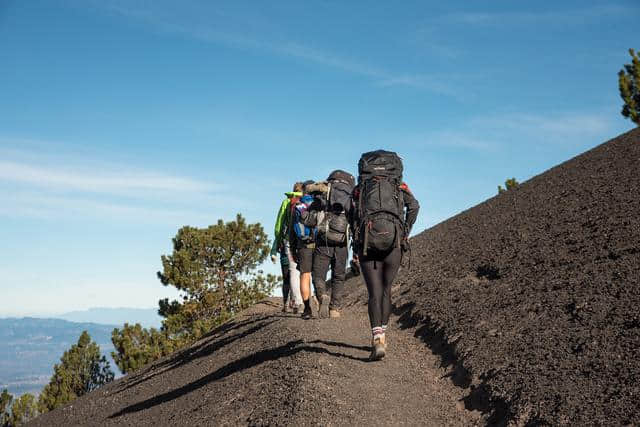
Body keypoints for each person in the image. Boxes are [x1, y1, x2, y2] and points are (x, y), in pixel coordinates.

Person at [351, 150, 419, 360]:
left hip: (367, 243)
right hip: (394, 241)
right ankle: (383, 335)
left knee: (374, 292)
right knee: (386, 290)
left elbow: (350, 211)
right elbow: (414, 207)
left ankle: (376, 338)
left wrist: (356, 234)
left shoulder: (360, 188)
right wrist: (405, 231)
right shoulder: (399, 185)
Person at [311, 170, 355, 318]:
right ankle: (334, 309)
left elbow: (310, 218)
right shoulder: (351, 195)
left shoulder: (324, 191)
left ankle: (322, 295)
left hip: (324, 239)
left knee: (318, 274)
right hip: (342, 241)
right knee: (339, 275)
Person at [270, 182, 304, 313]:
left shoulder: (287, 203)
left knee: (287, 274)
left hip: (287, 242)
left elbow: (279, 225)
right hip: (303, 242)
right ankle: (299, 301)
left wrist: (276, 244)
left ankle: (286, 302)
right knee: (301, 272)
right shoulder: (307, 202)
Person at [291, 180, 319, 319]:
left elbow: (292, 231)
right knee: (318, 275)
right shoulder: (319, 204)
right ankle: (321, 303)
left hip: (303, 245)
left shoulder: (297, 205)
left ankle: (307, 308)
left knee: (305, 275)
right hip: (319, 243)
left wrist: (292, 249)